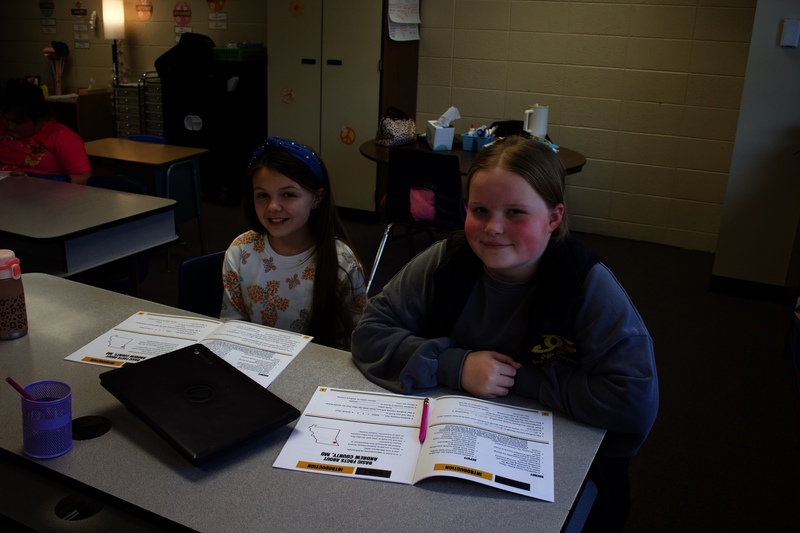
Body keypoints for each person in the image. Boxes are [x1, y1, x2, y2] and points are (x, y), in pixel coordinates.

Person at [351, 136, 659, 531]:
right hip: (450, 439)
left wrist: (519, 379)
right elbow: (369, 330)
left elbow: (633, 399)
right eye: (479, 210)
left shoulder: (585, 284)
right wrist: (454, 365)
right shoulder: (448, 260)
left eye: (515, 212)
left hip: (550, 455)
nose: (493, 228)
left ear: (554, 218)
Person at [221, 136, 367, 349]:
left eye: (288, 194)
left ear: (316, 198)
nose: (273, 207)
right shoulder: (240, 251)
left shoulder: (341, 260)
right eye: (262, 195)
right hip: (253, 365)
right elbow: (231, 326)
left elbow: (355, 338)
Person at [0, 78, 91, 184]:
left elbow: (83, 178)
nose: (10, 126)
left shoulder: (61, 137)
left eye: (18, 122)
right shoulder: (2, 128)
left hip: (44, 193)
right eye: (6, 119)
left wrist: (36, 180)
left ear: (39, 118)